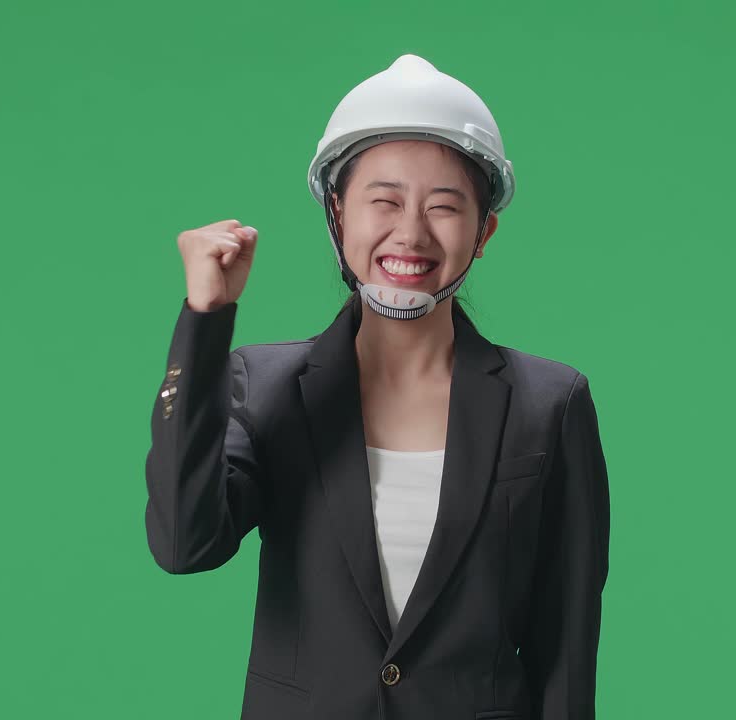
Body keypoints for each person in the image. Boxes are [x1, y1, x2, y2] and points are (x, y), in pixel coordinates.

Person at [145, 54, 611, 719]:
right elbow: (184, 544)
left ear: (484, 230)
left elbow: (564, 646)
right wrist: (205, 319)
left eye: (444, 207)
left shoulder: (550, 404)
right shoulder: (267, 386)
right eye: (384, 201)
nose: (411, 233)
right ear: (338, 213)